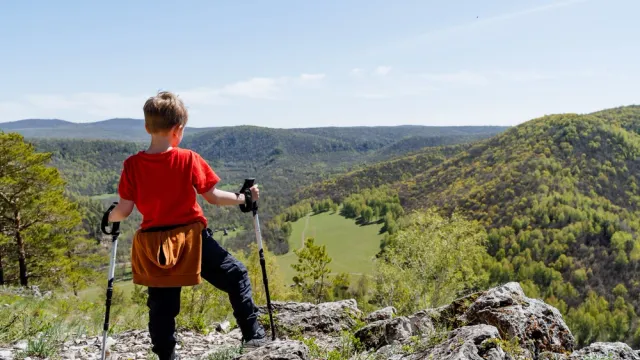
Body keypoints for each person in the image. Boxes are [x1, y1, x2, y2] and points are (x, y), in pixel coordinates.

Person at [107, 91, 269, 360]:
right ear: (178, 129)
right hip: (192, 240)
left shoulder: (132, 165)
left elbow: (123, 211)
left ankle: (167, 356)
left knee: (162, 307)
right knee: (236, 275)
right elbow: (213, 197)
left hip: (156, 245)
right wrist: (244, 198)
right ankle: (253, 335)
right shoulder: (188, 159)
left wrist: (108, 217)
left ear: (147, 127)